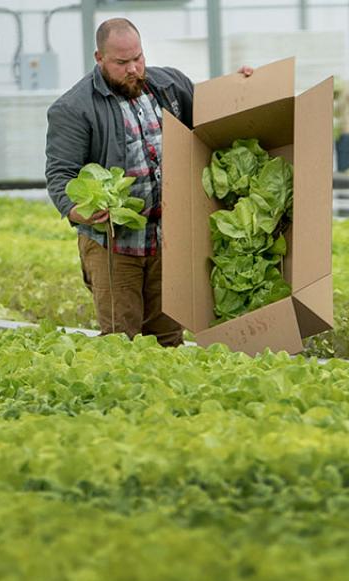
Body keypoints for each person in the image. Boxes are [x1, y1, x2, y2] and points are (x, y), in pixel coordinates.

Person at [44, 17, 252, 346]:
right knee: (120, 339)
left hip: (166, 240)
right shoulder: (74, 108)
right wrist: (75, 210)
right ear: (99, 59)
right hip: (114, 244)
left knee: (168, 337)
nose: (134, 69)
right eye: (122, 62)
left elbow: (216, 116)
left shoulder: (170, 86)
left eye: (138, 58)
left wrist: (242, 86)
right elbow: (60, 174)